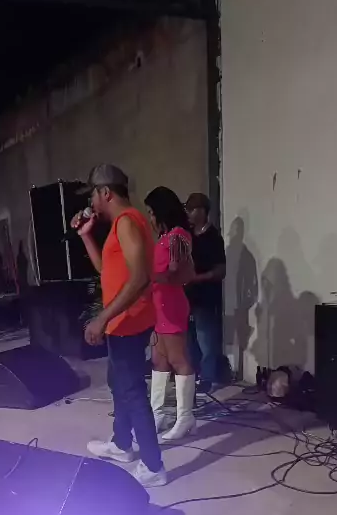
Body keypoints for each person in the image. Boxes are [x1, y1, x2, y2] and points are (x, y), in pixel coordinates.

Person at [72, 164, 166, 488]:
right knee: (119, 382)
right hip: (124, 320)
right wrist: (86, 236)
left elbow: (139, 278)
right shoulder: (121, 224)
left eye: (93, 195)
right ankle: (122, 443)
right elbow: (106, 270)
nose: (91, 202)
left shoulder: (126, 221)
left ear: (105, 192)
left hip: (127, 322)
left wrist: (102, 317)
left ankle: (153, 467)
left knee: (132, 391)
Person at [144, 186, 196, 441]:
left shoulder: (178, 236)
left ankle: (185, 417)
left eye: (152, 212)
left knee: (178, 359)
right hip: (159, 304)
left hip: (171, 304)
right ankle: (158, 414)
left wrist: (150, 277)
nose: (150, 218)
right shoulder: (166, 237)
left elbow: (181, 273)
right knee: (159, 359)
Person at [185, 193, 226, 393]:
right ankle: (190, 374)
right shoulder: (187, 235)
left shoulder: (213, 237)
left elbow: (221, 270)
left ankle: (207, 378)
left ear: (203, 211)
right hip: (187, 295)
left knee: (206, 340)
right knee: (189, 339)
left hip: (206, 296)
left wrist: (199, 277)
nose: (189, 213)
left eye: (192, 209)